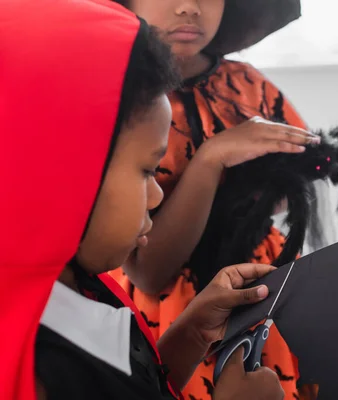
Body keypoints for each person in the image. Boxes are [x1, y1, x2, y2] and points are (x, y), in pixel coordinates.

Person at [0, 1, 292, 399]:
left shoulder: (85, 288)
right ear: (61, 175)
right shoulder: (37, 373)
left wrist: (192, 332)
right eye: (146, 171)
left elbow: (136, 384)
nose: (156, 194)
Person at [108, 0, 322, 398]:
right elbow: (150, 274)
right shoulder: (125, 103)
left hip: (267, 286)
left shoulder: (247, 83)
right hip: (179, 315)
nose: (189, 7)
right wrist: (212, 159)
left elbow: (298, 175)